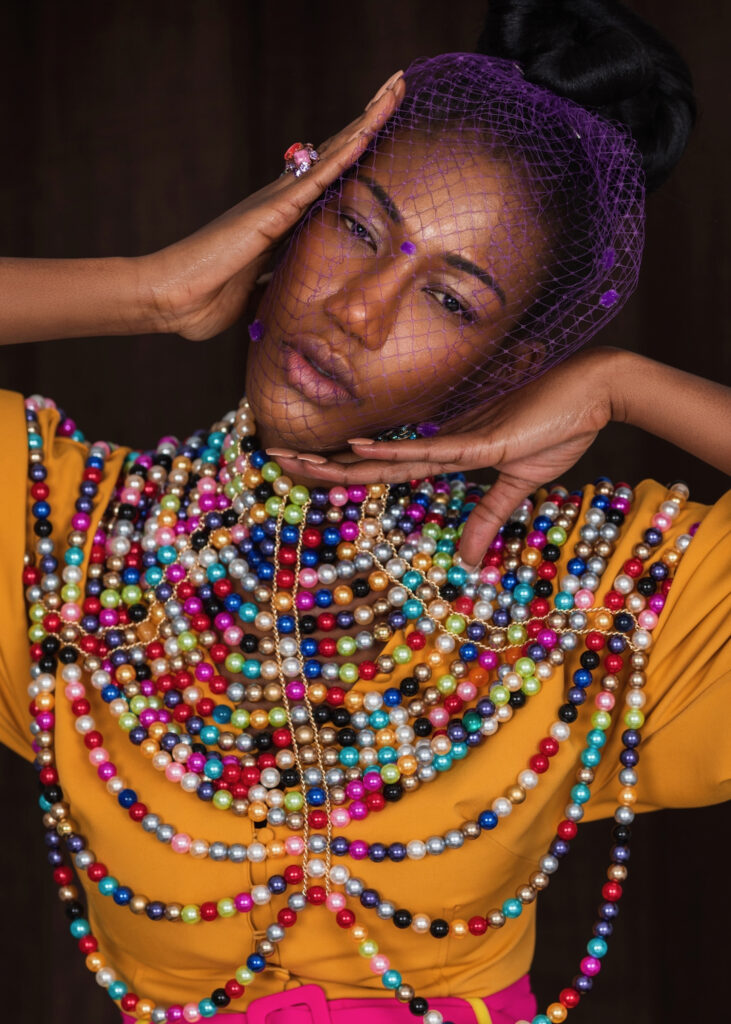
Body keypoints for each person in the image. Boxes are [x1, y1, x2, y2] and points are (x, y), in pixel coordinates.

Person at [0, 2, 729, 1023]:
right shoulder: (66, 539)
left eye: (451, 300)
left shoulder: (590, 592)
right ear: (292, 209)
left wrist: (623, 386)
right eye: (355, 227)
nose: (358, 310)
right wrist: (149, 290)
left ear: (509, 361)